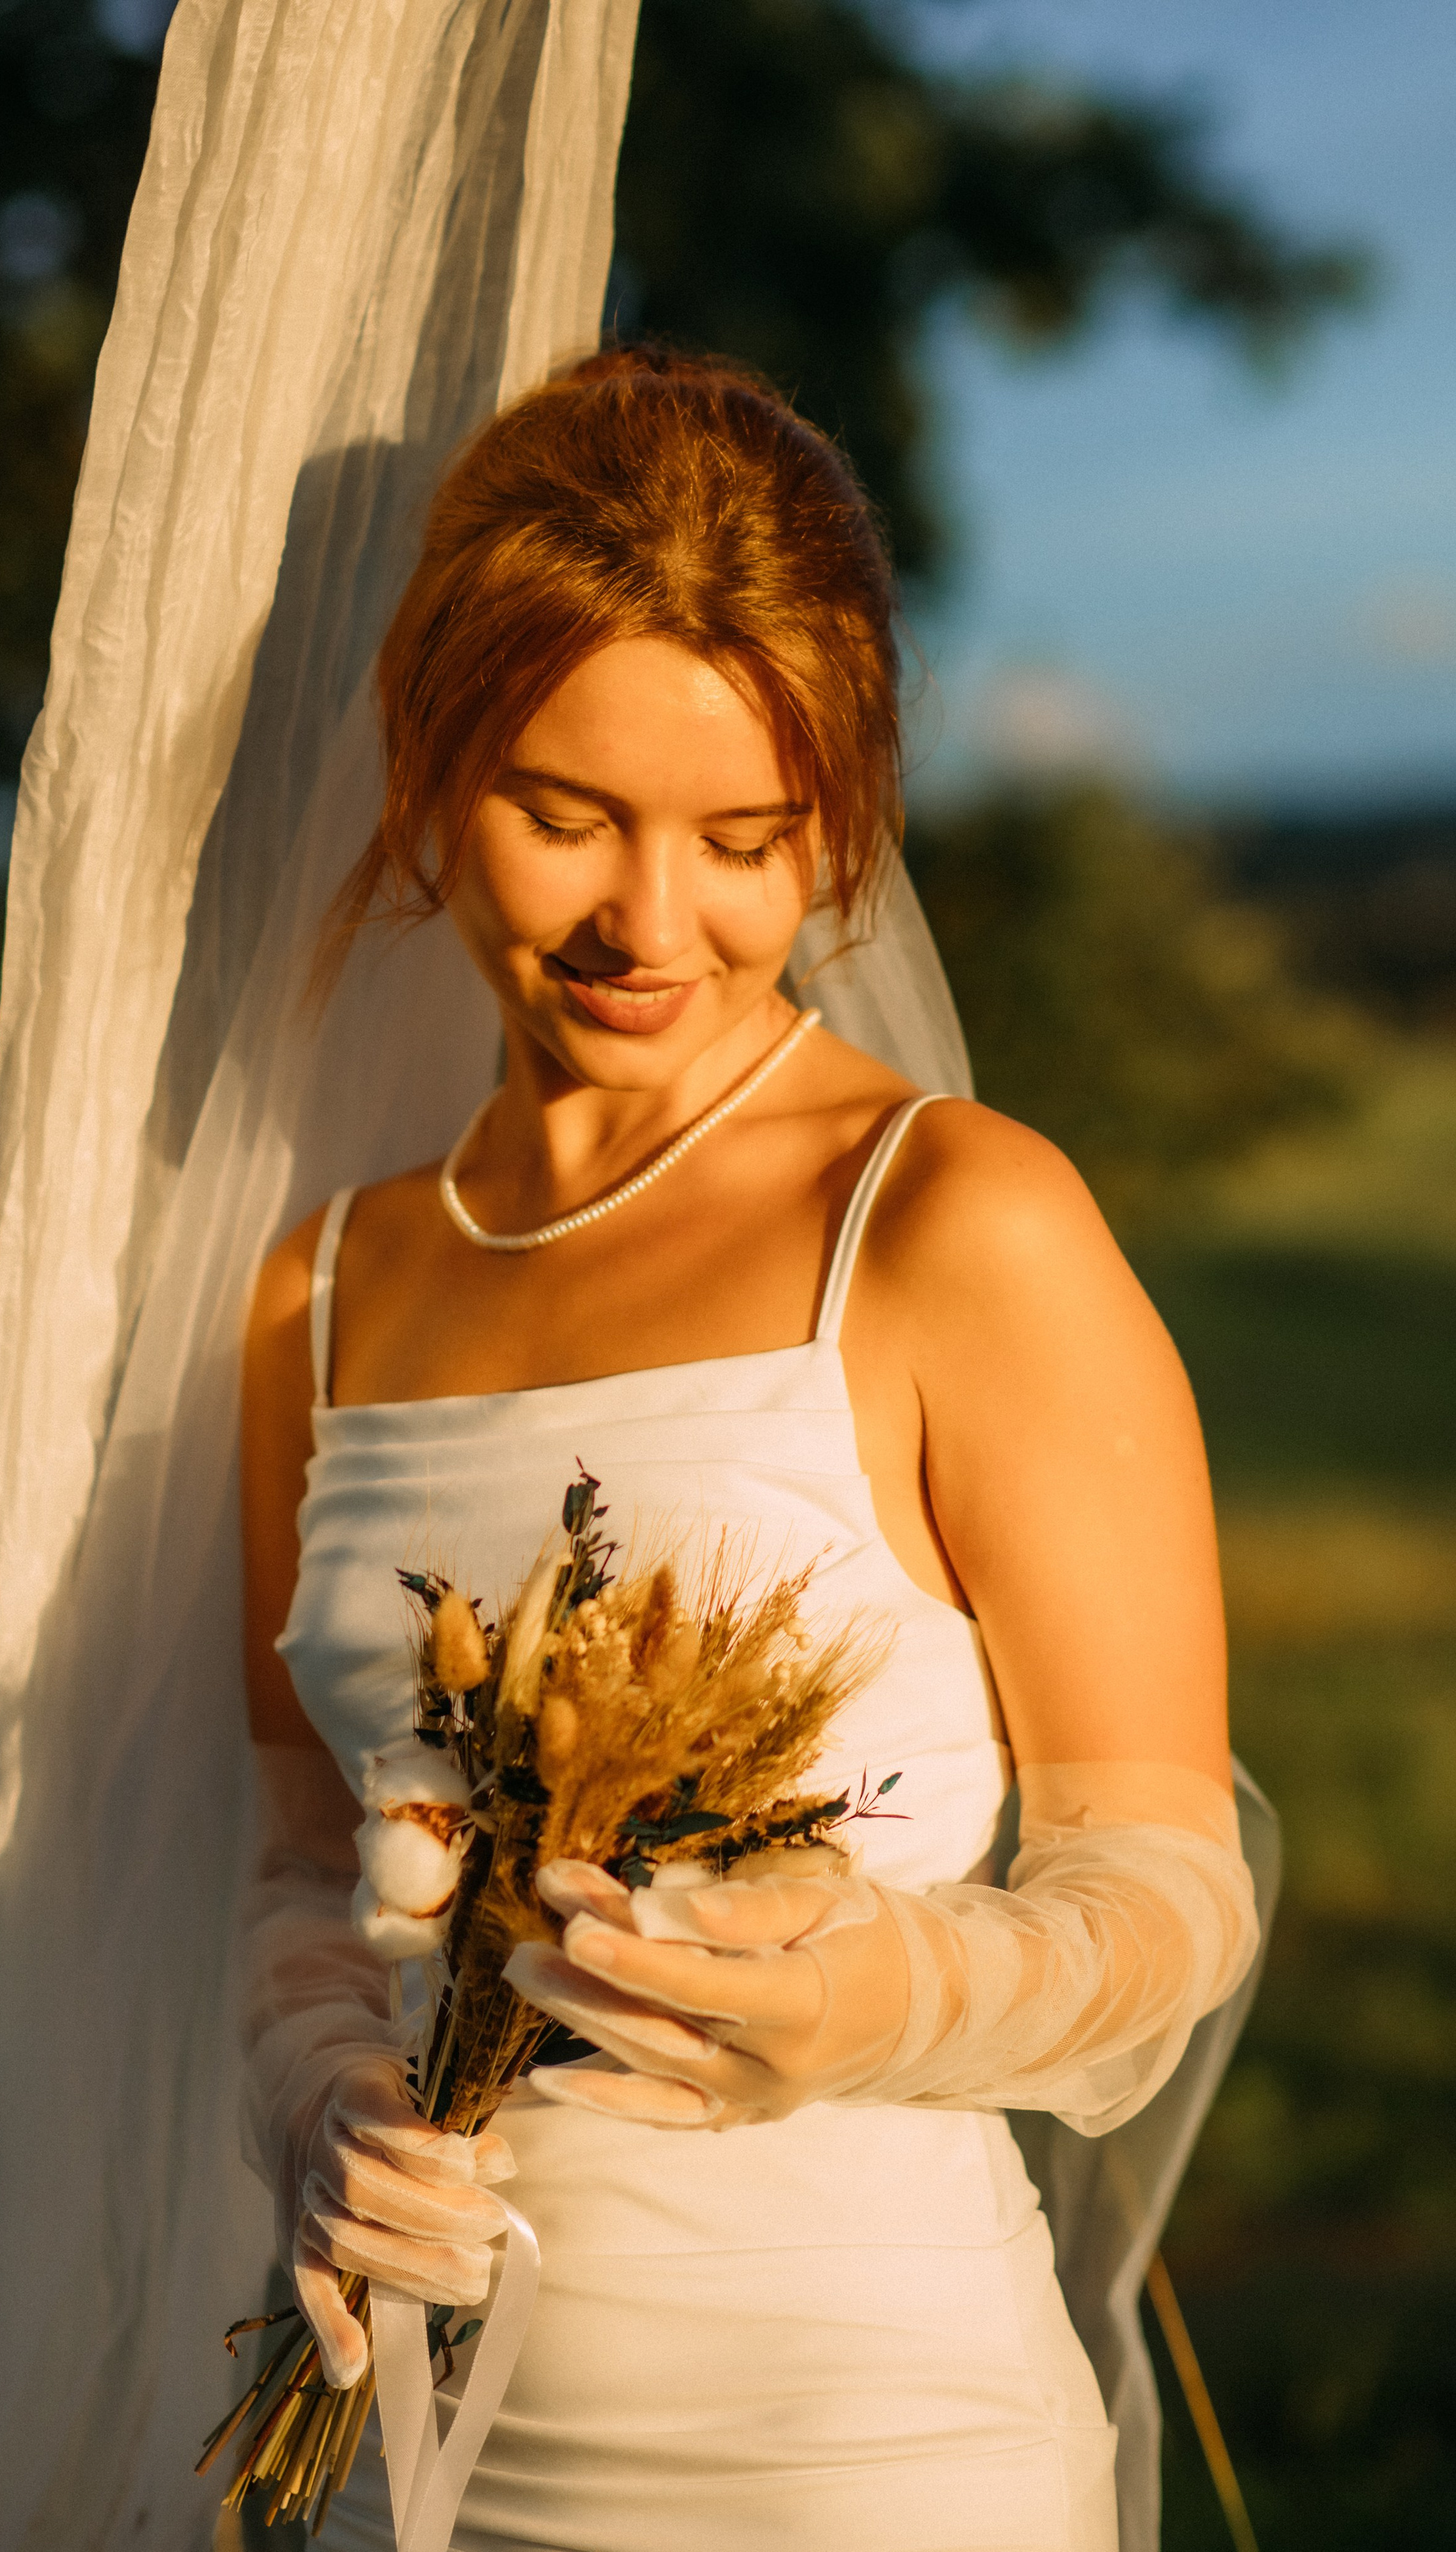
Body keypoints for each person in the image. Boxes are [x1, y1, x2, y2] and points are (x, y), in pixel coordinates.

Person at [236, 350, 1261, 2552]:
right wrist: (318, 2099)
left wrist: (880, 1989)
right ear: (428, 765)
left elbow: (1174, 1895)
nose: (649, 922)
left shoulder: (953, 1222)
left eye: (747, 840)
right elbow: (295, 1869)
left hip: (872, 2457)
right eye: (564, 809)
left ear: (845, 818)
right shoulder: (315, 1293)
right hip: (412, 2462)